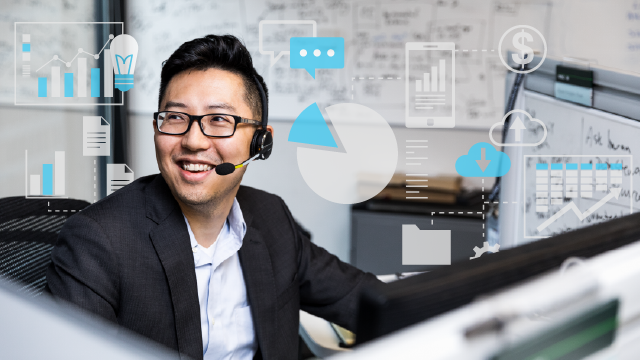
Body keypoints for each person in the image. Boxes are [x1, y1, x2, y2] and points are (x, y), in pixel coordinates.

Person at [46, 34, 380, 360]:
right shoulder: (98, 241)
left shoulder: (270, 216)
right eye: (175, 117)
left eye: (219, 120)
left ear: (261, 141)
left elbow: (368, 300)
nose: (193, 141)